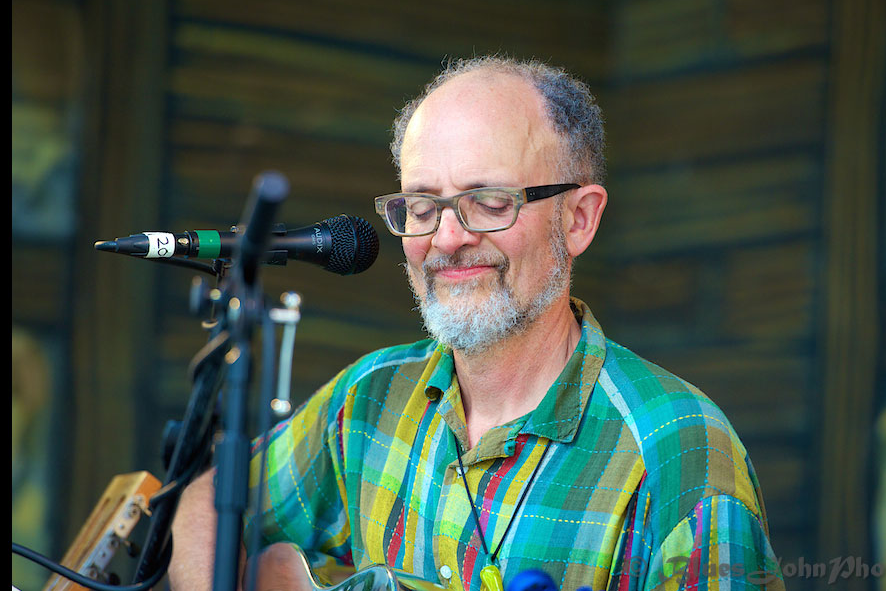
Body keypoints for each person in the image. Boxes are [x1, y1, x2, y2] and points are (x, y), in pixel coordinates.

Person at [168, 57, 783, 591]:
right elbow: (205, 502)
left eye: (489, 201)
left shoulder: (678, 449)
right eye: (422, 204)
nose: (448, 238)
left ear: (578, 220)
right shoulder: (367, 399)